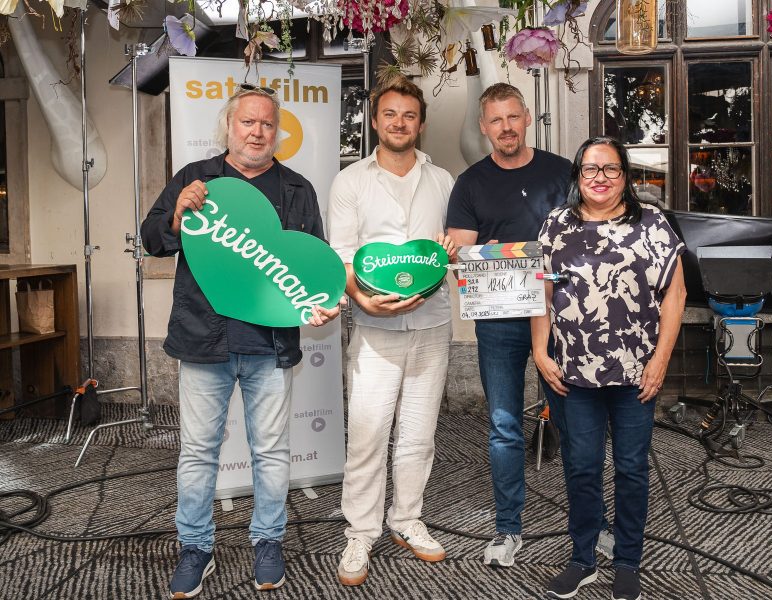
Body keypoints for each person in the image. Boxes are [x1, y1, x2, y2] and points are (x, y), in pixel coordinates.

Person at [141, 85, 341, 599]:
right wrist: (176, 215)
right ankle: (195, 548)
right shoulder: (195, 180)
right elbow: (153, 240)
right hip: (202, 340)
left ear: (278, 132)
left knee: (272, 452)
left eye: (267, 125)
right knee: (198, 451)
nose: (257, 132)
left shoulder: (297, 188)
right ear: (228, 127)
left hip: (270, 345)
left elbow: (310, 262)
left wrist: (321, 302)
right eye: (248, 123)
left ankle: (269, 541)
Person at [447, 83, 617, 568]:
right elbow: (461, 246)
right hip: (499, 321)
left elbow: (590, 233)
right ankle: (508, 529)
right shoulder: (470, 183)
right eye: (495, 120)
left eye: (512, 117)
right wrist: (453, 252)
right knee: (504, 426)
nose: (505, 127)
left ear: (527, 118)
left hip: (564, 321)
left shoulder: (562, 171)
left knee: (576, 425)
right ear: (484, 128)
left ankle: (594, 523)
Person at [532, 136, 686, 600]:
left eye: (610, 169)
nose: (600, 178)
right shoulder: (556, 225)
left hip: (637, 374)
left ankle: (627, 561)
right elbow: (539, 291)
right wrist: (541, 352)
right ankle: (582, 560)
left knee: (632, 467)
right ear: (577, 176)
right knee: (580, 467)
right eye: (590, 169)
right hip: (572, 374)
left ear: (626, 176)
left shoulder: (652, 223)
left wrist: (660, 360)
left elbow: (675, 296)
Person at [327, 75, 456, 586]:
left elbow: (456, 245)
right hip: (375, 328)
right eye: (389, 115)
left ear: (420, 124)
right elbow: (340, 253)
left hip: (433, 322)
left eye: (408, 115)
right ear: (374, 121)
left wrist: (452, 253)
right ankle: (360, 532)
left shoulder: (444, 181)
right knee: (367, 433)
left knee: (419, 434)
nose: (399, 123)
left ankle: (407, 520)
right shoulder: (350, 182)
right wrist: (361, 300)